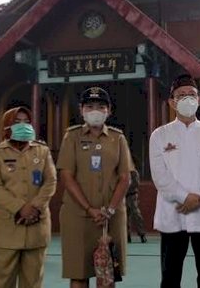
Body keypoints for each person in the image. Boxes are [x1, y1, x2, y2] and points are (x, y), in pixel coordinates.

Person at [150, 74, 200, 288]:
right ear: (172, 102)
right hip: (173, 213)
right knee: (170, 276)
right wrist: (185, 197)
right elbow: (160, 176)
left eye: (191, 95)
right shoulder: (159, 135)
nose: (187, 99)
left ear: (199, 100)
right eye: (181, 95)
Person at [57, 87, 132, 288]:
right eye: (89, 106)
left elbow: (125, 178)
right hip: (77, 216)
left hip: (111, 217)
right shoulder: (71, 137)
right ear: (81, 110)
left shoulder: (118, 138)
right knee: (79, 274)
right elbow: (66, 176)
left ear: (109, 111)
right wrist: (89, 209)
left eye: (101, 106)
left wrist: (109, 210)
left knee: (107, 275)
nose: (95, 111)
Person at [0, 106, 57, 288]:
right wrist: (20, 207)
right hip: (4, 231)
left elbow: (51, 181)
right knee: (0, 283)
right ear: (7, 126)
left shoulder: (42, 151)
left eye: (26, 122)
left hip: (36, 229)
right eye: (17, 122)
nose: (23, 125)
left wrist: (35, 206)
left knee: (33, 283)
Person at [126, 169, 147, 243]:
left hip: (132, 196)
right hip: (123, 196)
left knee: (136, 214)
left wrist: (125, 188)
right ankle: (127, 235)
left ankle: (142, 234)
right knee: (125, 217)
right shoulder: (121, 170)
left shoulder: (134, 172)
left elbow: (136, 183)